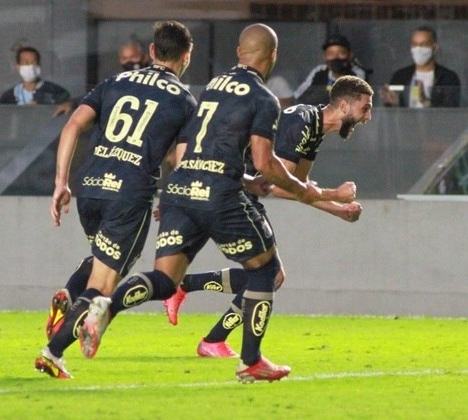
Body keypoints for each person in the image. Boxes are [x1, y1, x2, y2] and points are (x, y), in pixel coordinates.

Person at [76, 23, 357, 383]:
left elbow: (185, 147)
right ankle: (251, 361)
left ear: (239, 52)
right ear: (272, 56)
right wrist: (312, 192)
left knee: (164, 279)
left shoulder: (210, 89)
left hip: (179, 189)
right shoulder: (263, 99)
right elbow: (266, 162)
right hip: (219, 194)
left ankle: (107, 305)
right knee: (266, 272)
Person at [163, 75, 373, 358]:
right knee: (269, 275)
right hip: (232, 192)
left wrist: (339, 210)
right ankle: (211, 336)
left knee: (266, 275)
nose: (368, 117)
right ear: (345, 106)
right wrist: (335, 194)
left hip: (239, 192)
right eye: (365, 108)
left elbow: (300, 188)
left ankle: (193, 304)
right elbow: (278, 186)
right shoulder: (300, 123)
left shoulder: (313, 128)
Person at [33, 20, 196, 379]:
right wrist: (171, 200)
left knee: (101, 260)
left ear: (152, 52)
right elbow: (179, 162)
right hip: (129, 192)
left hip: (89, 187)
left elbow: (73, 124)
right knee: (104, 286)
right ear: (187, 56)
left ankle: (68, 293)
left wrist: (61, 182)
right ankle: (53, 352)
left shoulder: (114, 83)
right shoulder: (185, 101)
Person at [380, 26, 461, 108]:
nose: (418, 49)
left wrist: (425, 101)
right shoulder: (400, 76)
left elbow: (450, 112)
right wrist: (394, 104)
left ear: (435, 48)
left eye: (424, 44)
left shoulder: (448, 78)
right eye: (415, 44)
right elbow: (391, 114)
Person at [294, 33, 371, 106]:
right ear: (324, 57)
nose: (336, 58)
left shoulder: (357, 73)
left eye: (341, 53)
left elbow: (357, 100)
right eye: (331, 54)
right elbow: (299, 96)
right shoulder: (319, 71)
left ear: (350, 55)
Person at [0, 46, 72, 109]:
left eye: (34, 63)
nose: (31, 66)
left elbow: (68, 104)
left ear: (39, 65)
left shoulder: (55, 91)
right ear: (17, 67)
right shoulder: (9, 96)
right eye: (26, 63)